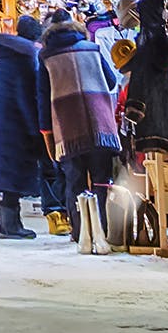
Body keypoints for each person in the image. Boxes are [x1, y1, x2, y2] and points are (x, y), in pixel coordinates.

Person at [39, 12, 123, 226]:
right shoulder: (92, 48)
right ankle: (104, 228)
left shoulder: (47, 57)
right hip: (100, 123)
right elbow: (112, 81)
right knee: (102, 180)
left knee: (74, 182)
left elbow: (42, 96)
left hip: (67, 127)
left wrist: (46, 131)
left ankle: (81, 231)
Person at [0, 14, 55, 239]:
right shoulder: (24, 56)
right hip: (15, 122)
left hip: (3, 118)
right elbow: (24, 93)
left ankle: (11, 224)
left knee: (9, 175)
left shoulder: (7, 54)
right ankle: (10, 226)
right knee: (13, 174)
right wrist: (34, 126)